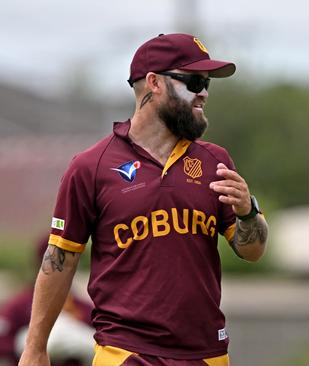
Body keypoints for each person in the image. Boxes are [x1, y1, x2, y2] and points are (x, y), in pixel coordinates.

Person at [18, 33, 268, 366]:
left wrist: (247, 212)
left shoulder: (214, 161)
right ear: (154, 82)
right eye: (194, 81)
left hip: (206, 354)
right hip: (125, 352)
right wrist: (36, 348)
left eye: (207, 83)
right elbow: (60, 259)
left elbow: (252, 251)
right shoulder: (90, 166)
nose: (204, 93)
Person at [0, 235, 94, 366]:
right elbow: (3, 340)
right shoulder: (19, 306)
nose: (61, 268)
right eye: (54, 262)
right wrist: (27, 345)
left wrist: (85, 342)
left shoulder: (84, 307)